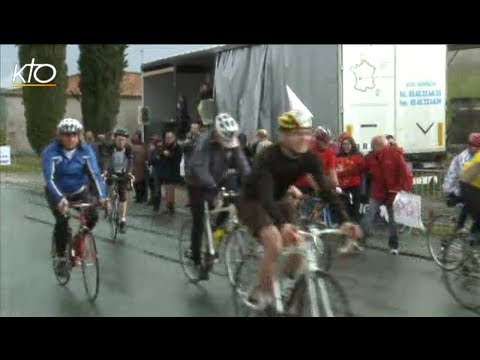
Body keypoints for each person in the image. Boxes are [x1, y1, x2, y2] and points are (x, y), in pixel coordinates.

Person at [237, 110, 360, 311]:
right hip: (254, 201)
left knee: (300, 246)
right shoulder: (268, 157)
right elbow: (266, 197)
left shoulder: (309, 157)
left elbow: (326, 189)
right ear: (283, 135)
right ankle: (261, 292)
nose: (304, 138)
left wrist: (345, 220)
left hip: (279, 199)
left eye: (306, 132)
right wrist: (282, 224)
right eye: (296, 133)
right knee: (274, 241)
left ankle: (282, 288)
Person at [185, 113, 251, 279]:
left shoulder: (232, 142)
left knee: (228, 207)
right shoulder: (204, 142)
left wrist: (252, 184)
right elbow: (200, 168)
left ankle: (214, 234)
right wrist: (213, 189)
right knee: (199, 219)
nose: (228, 147)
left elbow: (243, 165)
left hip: (218, 176)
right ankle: (195, 257)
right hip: (196, 181)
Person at [41, 118, 107, 278]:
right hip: (57, 192)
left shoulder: (85, 151)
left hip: (79, 190)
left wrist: (103, 196)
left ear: (79, 136)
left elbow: (95, 175)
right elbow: (49, 179)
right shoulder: (51, 152)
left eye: (74, 135)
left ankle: (80, 237)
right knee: (62, 220)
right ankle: (62, 258)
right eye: (66, 135)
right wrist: (59, 199)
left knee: (93, 216)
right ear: (59, 136)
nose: (70, 138)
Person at [361, 135, 412, 255]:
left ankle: (393, 245)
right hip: (378, 191)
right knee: (369, 215)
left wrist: (404, 188)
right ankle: (361, 240)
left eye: (374, 146)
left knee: (392, 220)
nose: (372, 148)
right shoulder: (370, 157)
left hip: (392, 192)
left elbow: (404, 172)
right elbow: (362, 168)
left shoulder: (394, 154)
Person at [443, 133, 480, 232]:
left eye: (477, 146)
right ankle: (460, 231)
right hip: (463, 188)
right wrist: (450, 192)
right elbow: (453, 175)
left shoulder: (477, 155)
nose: (474, 148)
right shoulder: (463, 157)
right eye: (472, 145)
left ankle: (470, 237)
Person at [103, 128, 134, 234]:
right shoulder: (110, 147)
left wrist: (129, 173)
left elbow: (130, 162)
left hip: (123, 172)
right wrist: (105, 171)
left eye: (123, 140)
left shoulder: (129, 148)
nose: (121, 142)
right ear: (115, 139)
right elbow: (107, 160)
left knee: (123, 196)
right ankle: (109, 207)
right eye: (119, 139)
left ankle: (122, 220)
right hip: (112, 171)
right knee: (109, 189)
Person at [295, 126, 339, 193]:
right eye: (324, 141)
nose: (326, 144)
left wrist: (336, 186)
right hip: (302, 184)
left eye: (328, 142)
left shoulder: (330, 152)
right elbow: (308, 174)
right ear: (317, 140)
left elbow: (332, 173)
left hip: (318, 181)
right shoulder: (309, 150)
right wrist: (318, 190)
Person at [336, 135, 365, 223]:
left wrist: (345, 170)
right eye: (344, 144)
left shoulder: (358, 155)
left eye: (348, 144)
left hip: (355, 184)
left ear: (352, 144)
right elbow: (336, 171)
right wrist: (348, 169)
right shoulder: (338, 156)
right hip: (343, 185)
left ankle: (356, 223)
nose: (346, 146)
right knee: (345, 205)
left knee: (356, 205)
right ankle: (347, 223)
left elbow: (360, 170)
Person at [459, 135, 480, 245]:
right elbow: (466, 176)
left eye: (472, 145)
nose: (470, 148)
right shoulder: (478, 158)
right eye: (470, 145)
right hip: (469, 187)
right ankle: (471, 239)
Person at [131, 131, 148, 203]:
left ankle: (142, 197)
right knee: (135, 182)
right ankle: (138, 196)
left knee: (141, 182)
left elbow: (146, 156)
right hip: (135, 166)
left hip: (141, 166)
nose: (134, 137)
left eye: (136, 136)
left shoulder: (143, 146)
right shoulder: (133, 146)